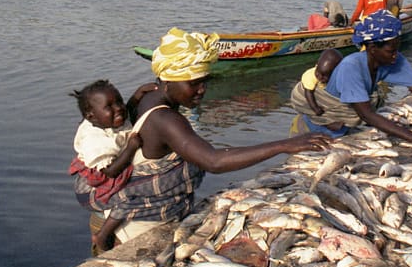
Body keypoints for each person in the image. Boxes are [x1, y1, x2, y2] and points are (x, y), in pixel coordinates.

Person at [129, 27, 331, 222]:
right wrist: (283, 145)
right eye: (193, 84)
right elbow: (213, 162)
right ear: (168, 82)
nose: (202, 90)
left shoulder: (146, 95)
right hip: (147, 219)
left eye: (204, 81)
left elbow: (132, 115)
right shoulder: (166, 120)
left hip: (139, 205)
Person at [289, 10, 412, 162]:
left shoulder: (391, 61)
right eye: (391, 50)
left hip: (344, 130)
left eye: (397, 48)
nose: (396, 55)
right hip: (315, 132)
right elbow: (367, 115)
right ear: (373, 48)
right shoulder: (352, 67)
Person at [68, 79, 160, 254]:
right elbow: (110, 172)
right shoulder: (96, 140)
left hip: (112, 171)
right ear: (91, 116)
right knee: (129, 196)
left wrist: (139, 93)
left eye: (119, 101)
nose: (118, 108)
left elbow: (128, 109)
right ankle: (103, 235)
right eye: (109, 106)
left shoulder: (107, 120)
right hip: (103, 176)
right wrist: (132, 147)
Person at [290, 49, 344, 131]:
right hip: (306, 100)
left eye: (325, 76)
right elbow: (308, 93)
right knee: (317, 114)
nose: (320, 77)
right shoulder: (310, 75)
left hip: (320, 96)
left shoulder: (337, 77)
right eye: (318, 73)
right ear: (317, 65)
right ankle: (327, 124)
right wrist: (315, 108)